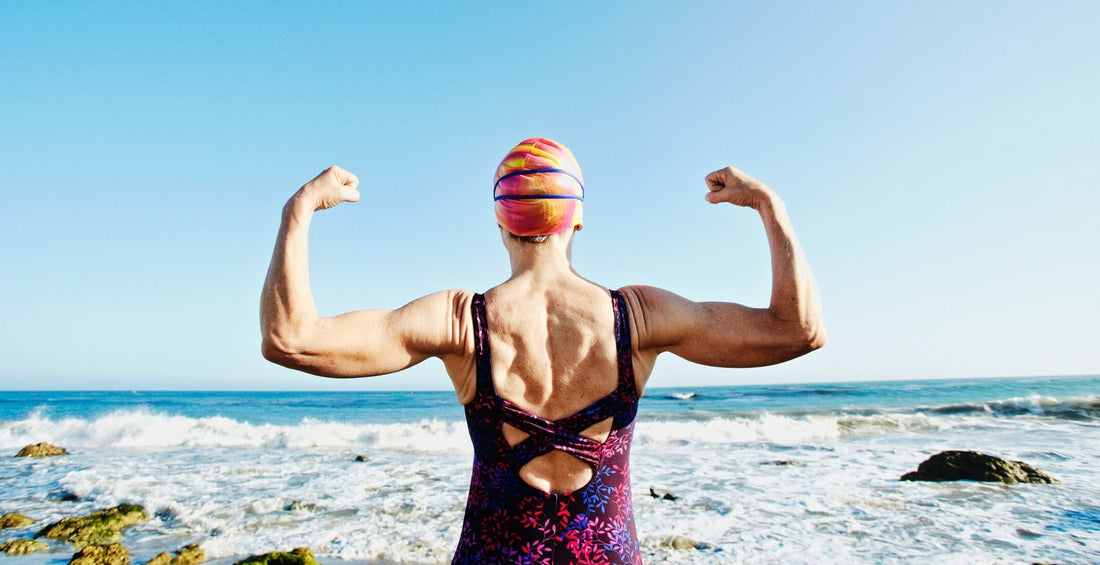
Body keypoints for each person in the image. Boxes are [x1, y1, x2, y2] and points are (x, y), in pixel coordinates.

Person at [260, 138, 825, 564]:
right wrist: (769, 206)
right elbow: (797, 330)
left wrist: (299, 211)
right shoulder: (640, 316)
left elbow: (291, 339)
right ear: (577, 216)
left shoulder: (461, 322)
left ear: (500, 220)